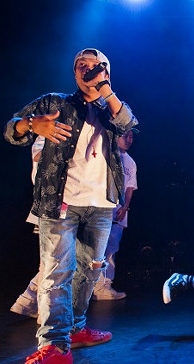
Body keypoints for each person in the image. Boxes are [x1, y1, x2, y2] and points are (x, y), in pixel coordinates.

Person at [1, 48, 138, 364]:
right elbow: (10, 130)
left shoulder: (111, 109)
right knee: (56, 273)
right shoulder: (55, 102)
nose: (87, 69)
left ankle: (75, 329)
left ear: (106, 71)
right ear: (74, 72)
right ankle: (54, 347)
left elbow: (128, 124)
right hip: (60, 201)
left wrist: (104, 89)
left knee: (90, 271)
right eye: (81, 65)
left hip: (101, 204)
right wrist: (31, 124)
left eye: (95, 65)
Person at [10, 129, 138, 316]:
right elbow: (39, 157)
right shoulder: (50, 135)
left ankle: (38, 306)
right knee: (55, 261)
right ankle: (35, 304)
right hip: (56, 203)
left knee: (70, 260)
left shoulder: (118, 155)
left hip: (79, 205)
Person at [94, 128, 138, 300]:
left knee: (111, 250)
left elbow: (130, 187)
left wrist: (125, 207)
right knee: (95, 249)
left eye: (131, 136)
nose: (129, 139)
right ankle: (89, 288)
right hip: (101, 208)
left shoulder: (131, 162)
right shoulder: (106, 154)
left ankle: (104, 286)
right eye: (125, 135)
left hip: (119, 212)